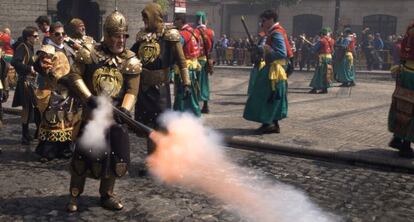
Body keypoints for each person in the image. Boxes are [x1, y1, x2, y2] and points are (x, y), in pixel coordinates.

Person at [57, 9, 142, 212]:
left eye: (123, 36)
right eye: (116, 35)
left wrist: (125, 109)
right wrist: (89, 98)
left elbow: (132, 89)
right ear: (107, 34)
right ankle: (74, 195)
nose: (120, 40)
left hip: (114, 119)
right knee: (82, 158)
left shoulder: (131, 61)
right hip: (90, 116)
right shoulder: (89, 53)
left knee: (114, 158)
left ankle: (107, 194)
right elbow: (74, 76)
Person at [131, 3, 190, 155]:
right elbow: (131, 55)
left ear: (153, 16)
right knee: (148, 126)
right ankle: (152, 159)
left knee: (162, 125)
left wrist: (187, 83)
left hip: (160, 89)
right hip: (144, 89)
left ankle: (164, 158)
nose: (144, 20)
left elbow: (181, 61)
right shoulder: (142, 36)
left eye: (146, 17)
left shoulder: (170, 35)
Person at [243, 9, 290, 134]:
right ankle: (271, 123)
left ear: (271, 20)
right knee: (271, 96)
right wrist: (259, 48)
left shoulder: (276, 33)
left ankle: (268, 123)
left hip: (274, 70)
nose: (262, 23)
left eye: (263, 21)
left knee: (264, 95)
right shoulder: (275, 32)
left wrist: (262, 50)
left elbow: (281, 52)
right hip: (274, 69)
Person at [33, 44, 80, 162]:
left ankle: (65, 150)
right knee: (52, 121)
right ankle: (49, 151)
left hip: (64, 92)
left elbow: (63, 73)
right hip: (53, 92)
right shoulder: (48, 50)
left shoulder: (62, 53)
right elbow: (38, 66)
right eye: (57, 34)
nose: (60, 36)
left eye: (62, 34)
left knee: (66, 121)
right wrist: (44, 68)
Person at [388, 22, 414, 158]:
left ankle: (398, 138)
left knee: (402, 106)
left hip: (404, 72)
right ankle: (406, 144)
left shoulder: (407, 33)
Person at [11, 26, 40, 145]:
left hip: (30, 82)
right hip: (25, 82)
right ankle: (25, 134)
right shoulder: (23, 47)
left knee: (31, 108)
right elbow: (15, 62)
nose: (37, 38)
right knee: (27, 109)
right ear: (28, 37)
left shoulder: (30, 47)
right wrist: (30, 68)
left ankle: (30, 133)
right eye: (35, 36)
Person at [172, 14, 201, 117]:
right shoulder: (194, 32)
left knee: (181, 96)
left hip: (184, 70)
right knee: (192, 95)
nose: (174, 22)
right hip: (193, 67)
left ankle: (179, 118)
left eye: (175, 20)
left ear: (180, 21)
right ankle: (193, 116)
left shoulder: (182, 35)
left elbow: (176, 52)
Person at [194, 11, 215, 114]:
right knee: (205, 83)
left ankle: (196, 105)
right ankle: (205, 105)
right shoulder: (210, 32)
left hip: (196, 61)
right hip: (206, 60)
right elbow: (212, 48)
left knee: (195, 83)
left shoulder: (194, 32)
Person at [308, 27, 335, 94]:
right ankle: (325, 88)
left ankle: (315, 88)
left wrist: (311, 47)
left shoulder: (321, 41)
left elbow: (313, 50)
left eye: (320, 35)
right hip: (329, 58)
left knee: (319, 73)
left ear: (322, 34)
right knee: (327, 73)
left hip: (322, 59)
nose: (320, 36)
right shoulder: (331, 40)